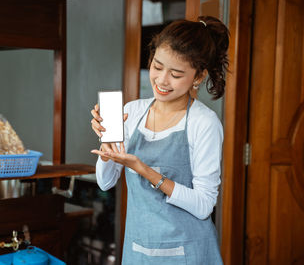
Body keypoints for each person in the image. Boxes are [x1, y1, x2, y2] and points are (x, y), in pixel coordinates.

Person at [90, 16, 229, 264]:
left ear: (198, 77)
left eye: (176, 74)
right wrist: (107, 144)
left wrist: (144, 171)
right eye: (157, 66)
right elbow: (105, 182)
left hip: (188, 253)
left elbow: (204, 204)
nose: (162, 80)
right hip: (138, 249)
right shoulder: (132, 112)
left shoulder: (204, 123)